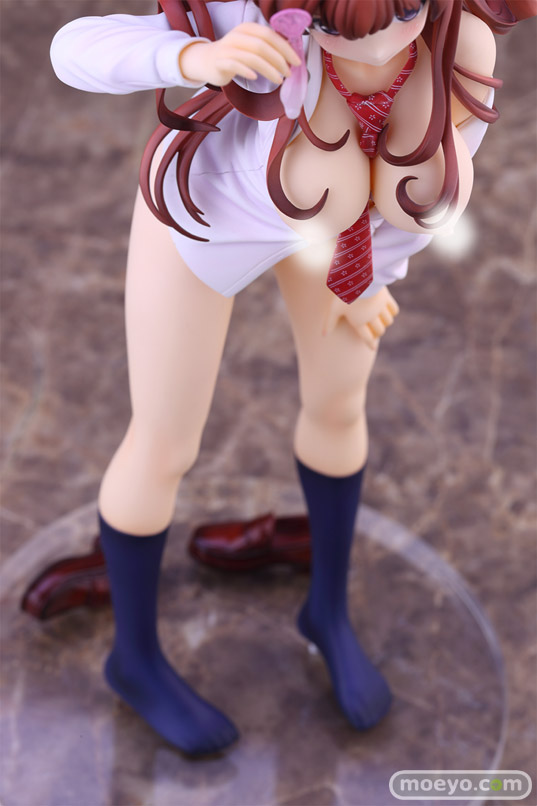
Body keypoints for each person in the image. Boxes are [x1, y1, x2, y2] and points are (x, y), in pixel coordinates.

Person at [49, 0, 532, 757]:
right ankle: (134, 659)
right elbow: (72, 49)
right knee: (163, 444)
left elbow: (429, 180)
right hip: (208, 215)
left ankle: (327, 612)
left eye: (404, 11)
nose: (375, 49)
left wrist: (370, 276)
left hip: (335, 233)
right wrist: (193, 57)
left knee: (339, 407)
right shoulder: (248, 19)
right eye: (340, 30)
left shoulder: (455, 42)